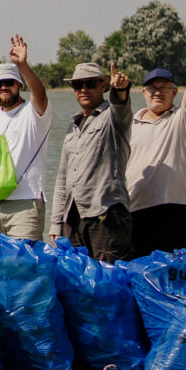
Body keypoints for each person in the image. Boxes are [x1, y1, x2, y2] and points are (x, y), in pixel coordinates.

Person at [48, 61, 137, 262]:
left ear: (103, 86)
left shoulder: (112, 117)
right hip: (73, 217)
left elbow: (121, 106)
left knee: (110, 283)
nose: (83, 89)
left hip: (107, 213)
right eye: (78, 85)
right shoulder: (73, 125)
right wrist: (56, 223)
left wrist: (121, 90)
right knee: (76, 284)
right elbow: (63, 178)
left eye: (90, 84)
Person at [128, 47, 186, 256]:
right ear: (143, 93)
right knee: (139, 277)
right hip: (137, 209)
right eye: (152, 88)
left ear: (174, 92)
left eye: (164, 87)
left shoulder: (182, 119)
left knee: (178, 278)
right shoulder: (129, 124)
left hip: (176, 210)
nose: (158, 92)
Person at [0, 36, 51, 242]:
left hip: (26, 203)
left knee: (23, 264)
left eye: (9, 82)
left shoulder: (33, 112)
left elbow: (41, 93)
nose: (3, 87)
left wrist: (23, 65)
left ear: (19, 85)